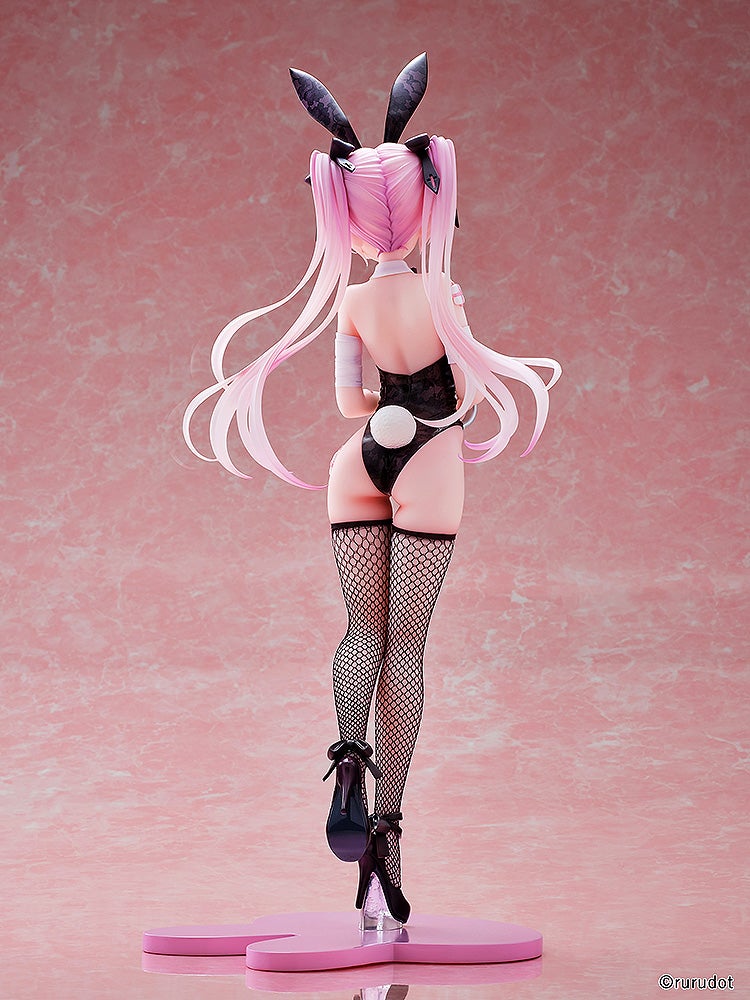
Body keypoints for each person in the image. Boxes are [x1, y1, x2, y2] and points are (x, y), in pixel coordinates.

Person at [183, 54, 561, 930]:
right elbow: (466, 397)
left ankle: (348, 754)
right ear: (426, 203)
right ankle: (386, 830)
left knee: (360, 632)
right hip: (429, 456)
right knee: (407, 650)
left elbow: (352, 405)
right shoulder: (443, 294)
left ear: (346, 217)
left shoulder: (353, 303)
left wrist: (385, 413)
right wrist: (437, 406)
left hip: (359, 459)